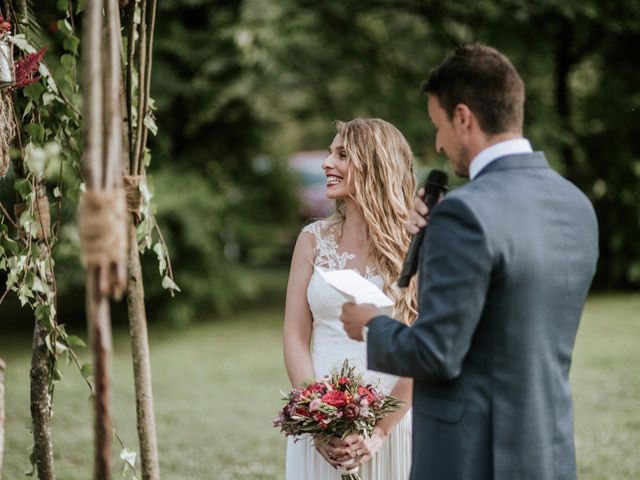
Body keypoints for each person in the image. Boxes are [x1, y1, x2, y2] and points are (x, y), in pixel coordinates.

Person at [340, 44, 599, 480]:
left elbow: (435, 353)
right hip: (548, 452)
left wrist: (369, 323)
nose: (439, 144)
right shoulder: (575, 203)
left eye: (437, 126)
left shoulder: (464, 214)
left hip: (472, 456)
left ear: (463, 118)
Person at [283, 118, 417, 479]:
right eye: (329, 152)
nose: (327, 163)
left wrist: (379, 431)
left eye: (341, 154)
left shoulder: (417, 246)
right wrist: (317, 419)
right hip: (321, 426)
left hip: (395, 424)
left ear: (374, 164)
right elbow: (295, 336)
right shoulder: (312, 241)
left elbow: (426, 347)